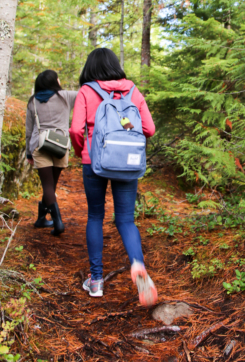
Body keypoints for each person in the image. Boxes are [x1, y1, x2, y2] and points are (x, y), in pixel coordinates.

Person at [69, 48, 157, 305]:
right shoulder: (132, 90)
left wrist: (80, 151)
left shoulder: (87, 91)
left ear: (90, 68)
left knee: (96, 215)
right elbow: (149, 128)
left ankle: (96, 280)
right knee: (126, 220)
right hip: (128, 162)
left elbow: (76, 129)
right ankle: (139, 269)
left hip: (93, 161)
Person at [26, 70, 77, 235]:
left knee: (48, 186)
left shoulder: (33, 101)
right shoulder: (65, 96)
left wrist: (28, 153)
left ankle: (44, 219)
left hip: (39, 144)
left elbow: (29, 129)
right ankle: (57, 223)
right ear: (55, 81)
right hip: (60, 144)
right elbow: (86, 94)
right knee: (51, 185)